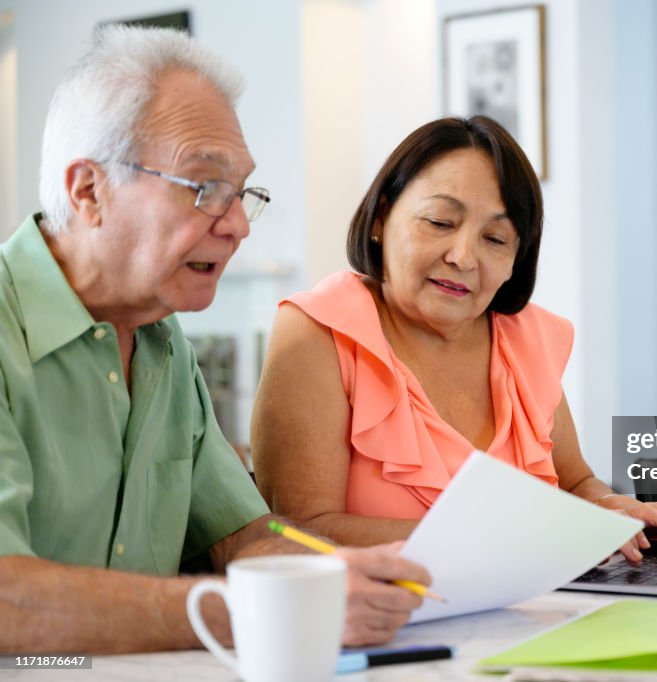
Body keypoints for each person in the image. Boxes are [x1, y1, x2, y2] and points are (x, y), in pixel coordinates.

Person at [0, 25, 430, 654]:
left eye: (240, 194)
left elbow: (243, 537)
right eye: (204, 189)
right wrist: (268, 610)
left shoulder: (163, 341)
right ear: (88, 191)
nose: (235, 227)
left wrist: (366, 573)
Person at [252, 116, 657, 563]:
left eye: (495, 238)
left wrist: (619, 511)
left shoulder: (526, 337)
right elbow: (295, 530)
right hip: (389, 622)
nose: (463, 257)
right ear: (380, 219)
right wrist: (508, 538)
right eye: (439, 222)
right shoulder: (318, 331)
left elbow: (575, 485)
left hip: (535, 610)